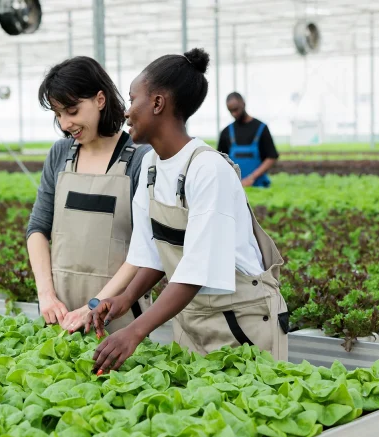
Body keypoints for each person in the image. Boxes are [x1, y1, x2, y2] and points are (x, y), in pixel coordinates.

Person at [83, 48, 289, 373]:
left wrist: (136, 330)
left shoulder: (207, 169)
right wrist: (126, 299)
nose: (126, 111)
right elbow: (153, 252)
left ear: (157, 103)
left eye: (132, 98)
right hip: (190, 318)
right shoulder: (150, 165)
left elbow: (197, 270)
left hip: (242, 320)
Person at [26, 56, 152, 334]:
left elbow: (145, 248)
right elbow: (37, 228)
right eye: (58, 114)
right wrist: (46, 294)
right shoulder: (60, 154)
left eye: (71, 110)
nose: (64, 123)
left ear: (99, 99)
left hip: (117, 317)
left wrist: (94, 305)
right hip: (61, 315)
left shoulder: (140, 159)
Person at [216, 92, 279, 188]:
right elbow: (221, 161)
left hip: (258, 186)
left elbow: (272, 157)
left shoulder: (261, 128)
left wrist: (252, 177)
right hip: (234, 187)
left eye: (236, 109)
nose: (234, 114)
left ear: (243, 104)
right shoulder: (226, 132)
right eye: (231, 111)